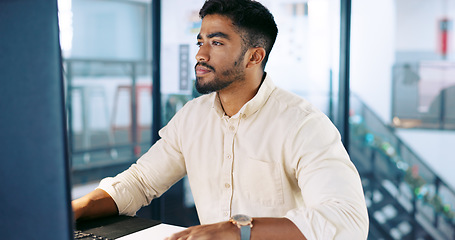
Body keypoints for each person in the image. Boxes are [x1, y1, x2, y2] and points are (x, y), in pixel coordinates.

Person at [72, 0, 369, 239]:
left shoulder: (303, 124)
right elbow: (139, 183)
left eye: (216, 43)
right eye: (200, 41)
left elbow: (346, 219)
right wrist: (74, 210)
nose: (200, 54)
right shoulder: (192, 117)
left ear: (254, 57)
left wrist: (234, 230)